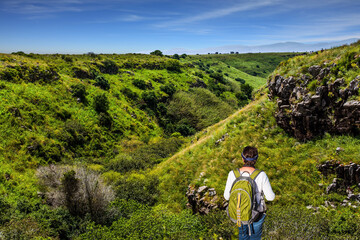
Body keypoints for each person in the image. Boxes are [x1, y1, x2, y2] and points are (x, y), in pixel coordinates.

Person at [224, 146, 275, 240]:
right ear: (256, 159)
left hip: (240, 213)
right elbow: (270, 197)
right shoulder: (261, 175)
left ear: (242, 158)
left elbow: (227, 196)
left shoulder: (232, 173)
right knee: (255, 238)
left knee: (242, 236)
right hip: (257, 214)